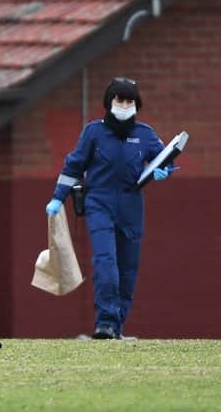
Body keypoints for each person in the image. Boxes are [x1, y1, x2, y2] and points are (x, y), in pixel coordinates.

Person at [45, 76, 176, 340]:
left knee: (128, 270)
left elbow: (165, 158)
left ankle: (117, 326)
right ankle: (104, 323)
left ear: (136, 104)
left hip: (131, 206)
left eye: (129, 101)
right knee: (106, 263)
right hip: (99, 203)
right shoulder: (93, 132)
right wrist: (58, 197)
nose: (124, 105)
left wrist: (165, 170)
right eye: (119, 99)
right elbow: (74, 166)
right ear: (109, 102)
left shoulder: (145, 134)